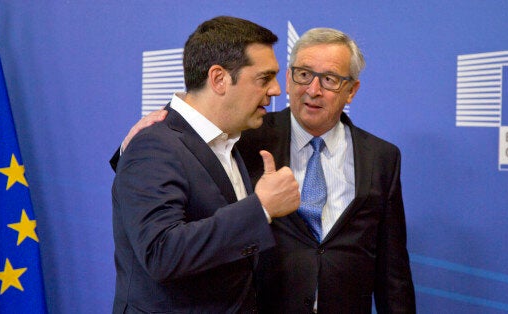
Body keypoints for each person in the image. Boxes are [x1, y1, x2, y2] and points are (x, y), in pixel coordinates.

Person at [113, 27, 416, 313]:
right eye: (303, 74)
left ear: (351, 90)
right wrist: (130, 146)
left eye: (329, 79)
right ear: (289, 78)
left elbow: (393, 269)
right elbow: (181, 157)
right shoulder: (245, 137)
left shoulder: (381, 156)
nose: (312, 90)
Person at [110, 16, 300, 313]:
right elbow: (161, 253)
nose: (277, 90)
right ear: (219, 79)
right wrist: (261, 208)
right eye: (264, 78)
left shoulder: (231, 138)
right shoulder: (154, 145)